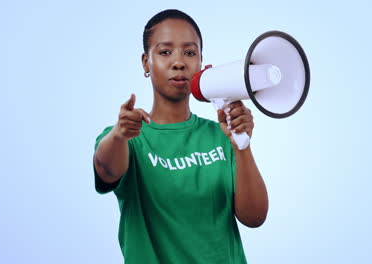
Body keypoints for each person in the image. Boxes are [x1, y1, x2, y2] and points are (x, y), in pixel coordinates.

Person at [93, 9, 268, 263]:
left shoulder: (220, 135)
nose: (179, 62)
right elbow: (106, 169)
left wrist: (242, 146)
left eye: (189, 52)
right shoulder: (128, 137)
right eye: (165, 52)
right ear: (146, 62)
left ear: (200, 62)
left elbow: (254, 217)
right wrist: (120, 135)